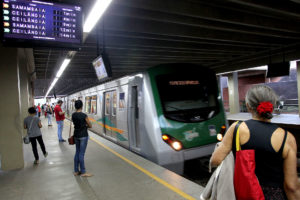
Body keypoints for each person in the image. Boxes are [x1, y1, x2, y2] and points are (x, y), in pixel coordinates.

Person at [210, 85, 300, 200]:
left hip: (244, 193)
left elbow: (215, 160)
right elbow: (291, 186)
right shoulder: (287, 138)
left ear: (248, 106)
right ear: (272, 106)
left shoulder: (237, 129)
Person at [72, 100, 93, 177]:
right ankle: (83, 172)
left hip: (76, 135)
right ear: (82, 106)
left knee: (77, 152)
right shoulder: (84, 115)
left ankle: (76, 171)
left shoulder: (73, 115)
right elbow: (90, 125)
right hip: (83, 135)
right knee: (81, 154)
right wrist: (86, 126)